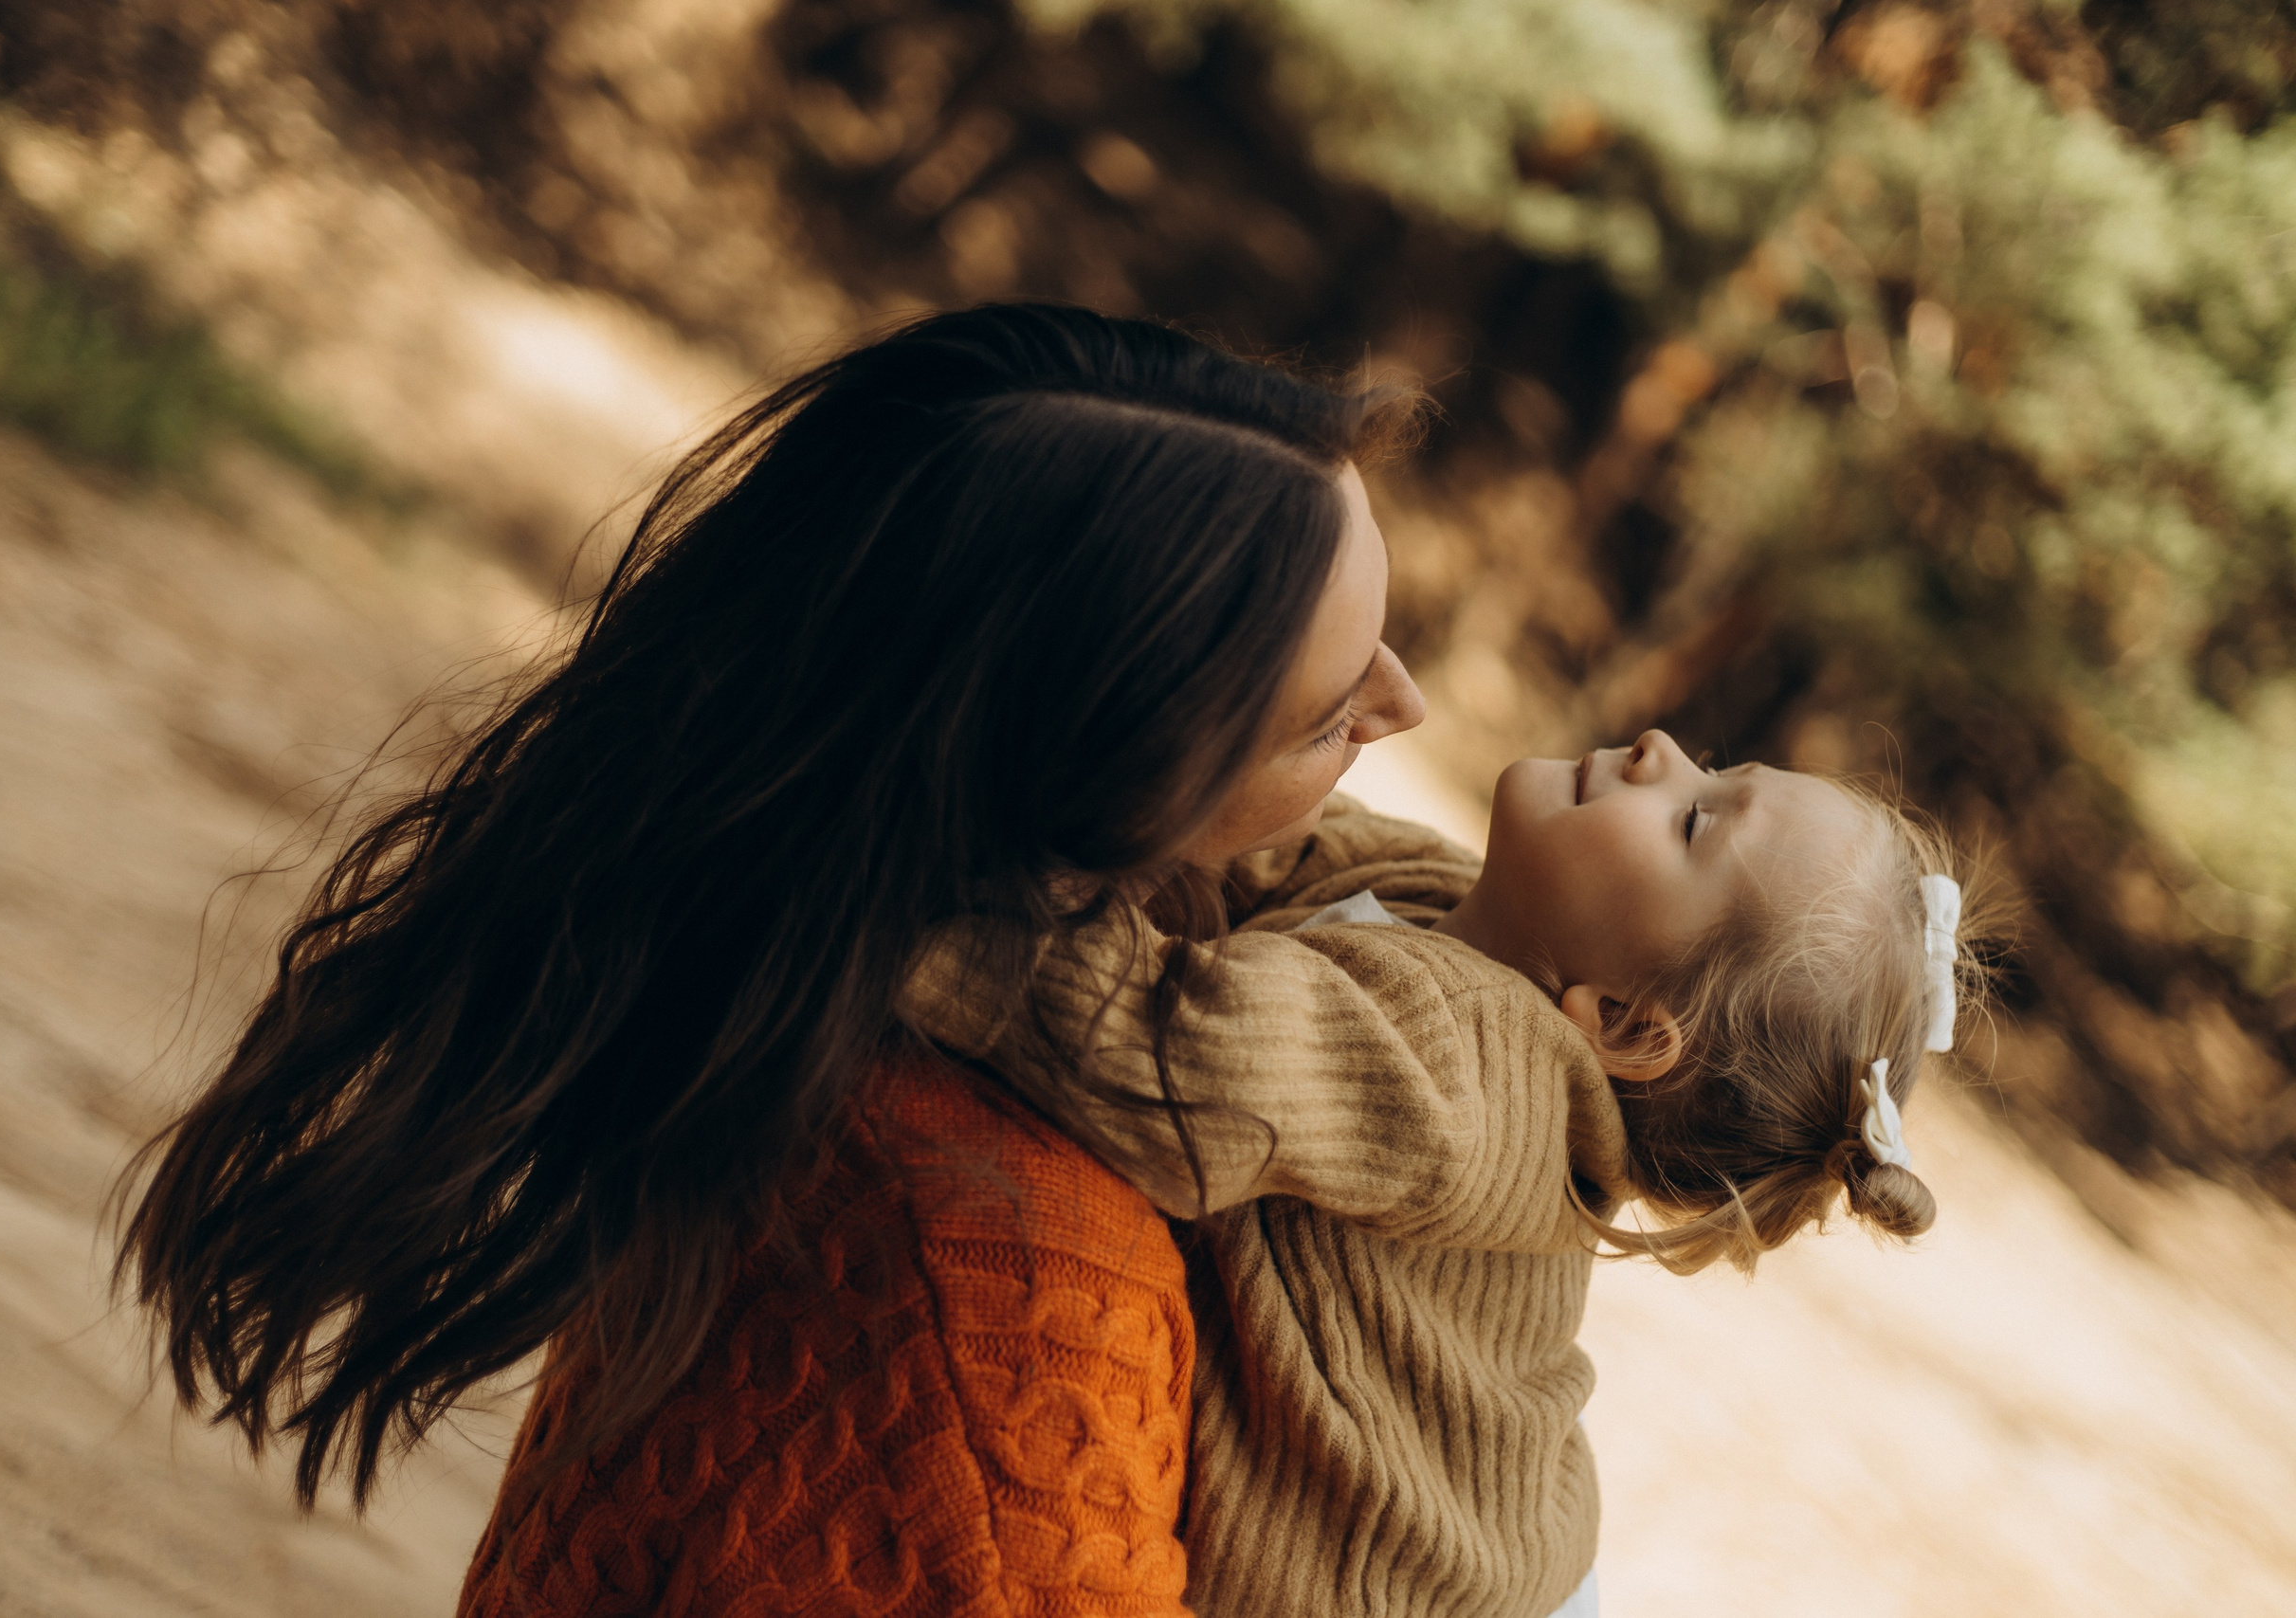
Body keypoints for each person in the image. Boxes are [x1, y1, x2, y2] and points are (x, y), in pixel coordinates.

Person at [118, 301, 1561, 1615]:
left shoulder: (775, 1021)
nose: (1408, 701)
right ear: (1110, 777)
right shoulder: (1024, 1287)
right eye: (1330, 713)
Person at [904, 729, 1981, 1618]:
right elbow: (1264, 830)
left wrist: (890, 903)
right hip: (1524, 1556)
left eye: (1695, 821)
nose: (1662, 752)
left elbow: (1160, 1055)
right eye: (1715, 766)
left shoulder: (1471, 1066)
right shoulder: (1437, 893)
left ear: (1621, 1022)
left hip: (1415, 1590)